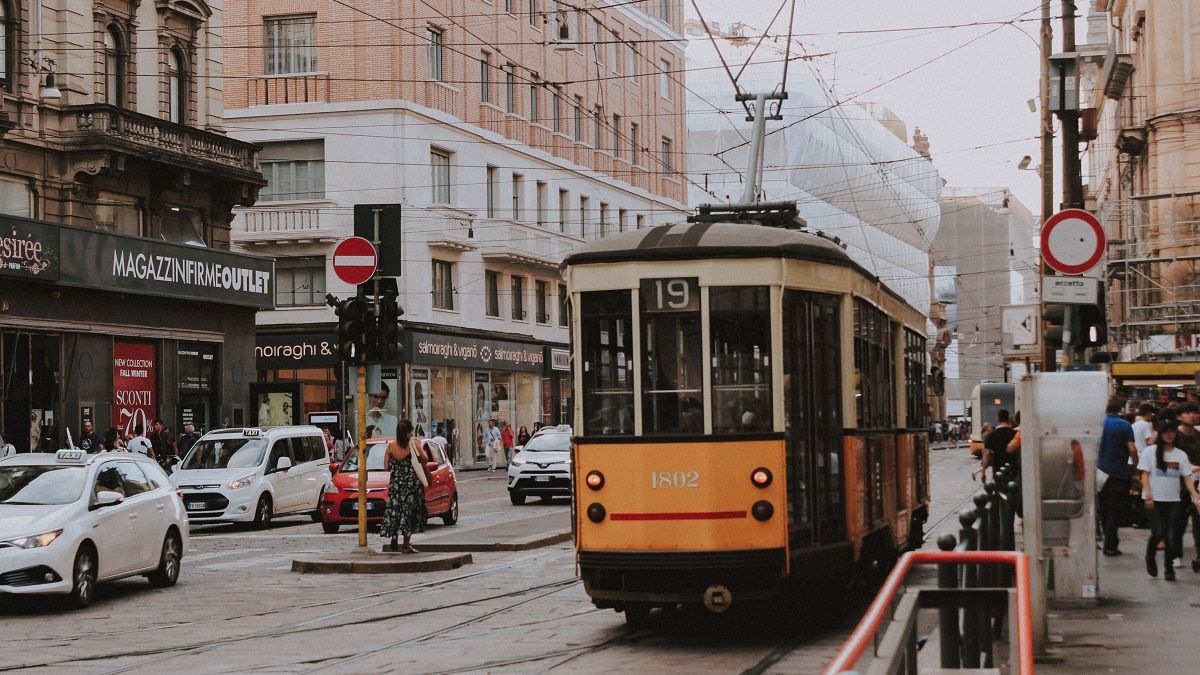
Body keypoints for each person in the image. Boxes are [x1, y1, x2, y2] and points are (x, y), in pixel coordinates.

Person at [1138, 418, 1200, 580]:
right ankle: (1150, 557)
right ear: (1160, 434)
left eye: (1172, 432)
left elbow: (1187, 477)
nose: (1169, 435)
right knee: (1158, 533)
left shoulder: (1180, 455)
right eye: (1166, 432)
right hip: (1153, 501)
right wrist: (1148, 494)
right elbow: (1144, 474)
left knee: (1171, 536)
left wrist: (1195, 496)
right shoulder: (1149, 452)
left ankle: (1168, 569)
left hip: (1174, 501)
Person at [379, 420, 428, 554]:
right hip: (411, 486)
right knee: (409, 513)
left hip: (396, 486)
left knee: (395, 512)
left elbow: (386, 467)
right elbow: (425, 459)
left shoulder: (390, 447)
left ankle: (394, 540)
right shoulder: (413, 445)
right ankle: (406, 546)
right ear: (408, 433)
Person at [1097, 399, 1138, 556]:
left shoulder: (1098, 424)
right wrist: (1135, 469)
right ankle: (1110, 545)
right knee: (1115, 510)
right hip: (1118, 473)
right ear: (1120, 410)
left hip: (1099, 472)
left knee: (1104, 509)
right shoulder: (1124, 425)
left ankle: (1106, 538)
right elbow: (1132, 449)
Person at [1173, 401, 1200, 571]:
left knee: (1198, 522)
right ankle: (1175, 554)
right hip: (1178, 486)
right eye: (1187, 412)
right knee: (1178, 522)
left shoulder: (1199, 435)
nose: (1192, 415)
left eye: (1194, 412)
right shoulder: (1173, 436)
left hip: (1198, 486)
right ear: (1178, 417)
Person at [980, 409, 1017, 480]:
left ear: (998, 419)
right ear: (1008, 419)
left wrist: (983, 472)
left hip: (998, 468)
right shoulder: (1014, 433)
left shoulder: (991, 435)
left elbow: (986, 454)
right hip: (1013, 468)